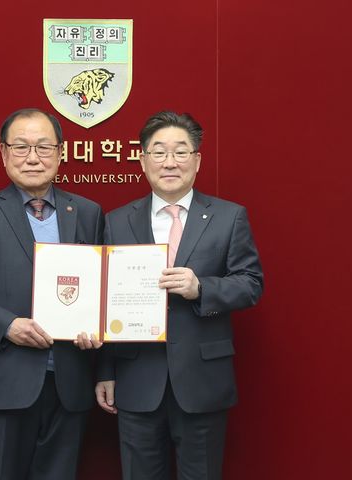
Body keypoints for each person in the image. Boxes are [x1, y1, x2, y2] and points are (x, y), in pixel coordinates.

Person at [96, 111, 263, 480]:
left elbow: (251, 283)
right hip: (136, 378)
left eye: (181, 152)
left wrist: (201, 287)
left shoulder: (228, 217)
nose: (170, 162)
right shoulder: (116, 220)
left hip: (202, 380)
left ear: (197, 160)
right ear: (142, 160)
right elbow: (104, 298)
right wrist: (105, 371)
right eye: (158, 152)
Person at [0, 108, 104, 480]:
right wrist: (7, 325)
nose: (33, 157)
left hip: (68, 385)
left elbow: (98, 289)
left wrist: (96, 327)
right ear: (3, 153)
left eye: (44, 147)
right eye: (22, 146)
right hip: (2, 383)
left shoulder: (88, 213)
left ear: (61, 153)